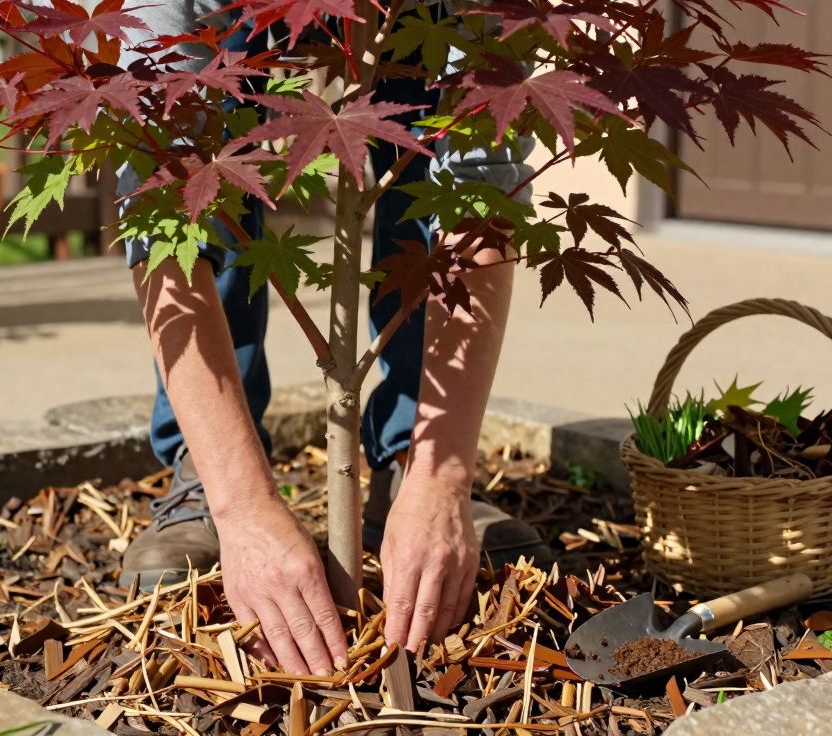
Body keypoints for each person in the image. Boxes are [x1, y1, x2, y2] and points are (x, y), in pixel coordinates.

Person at [117, 0, 554, 676]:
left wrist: (443, 473)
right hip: (225, 25)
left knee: (421, 122)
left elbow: (480, 188)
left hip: (423, 24)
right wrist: (243, 507)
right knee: (206, 174)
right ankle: (206, 475)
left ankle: (412, 456)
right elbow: (163, 212)